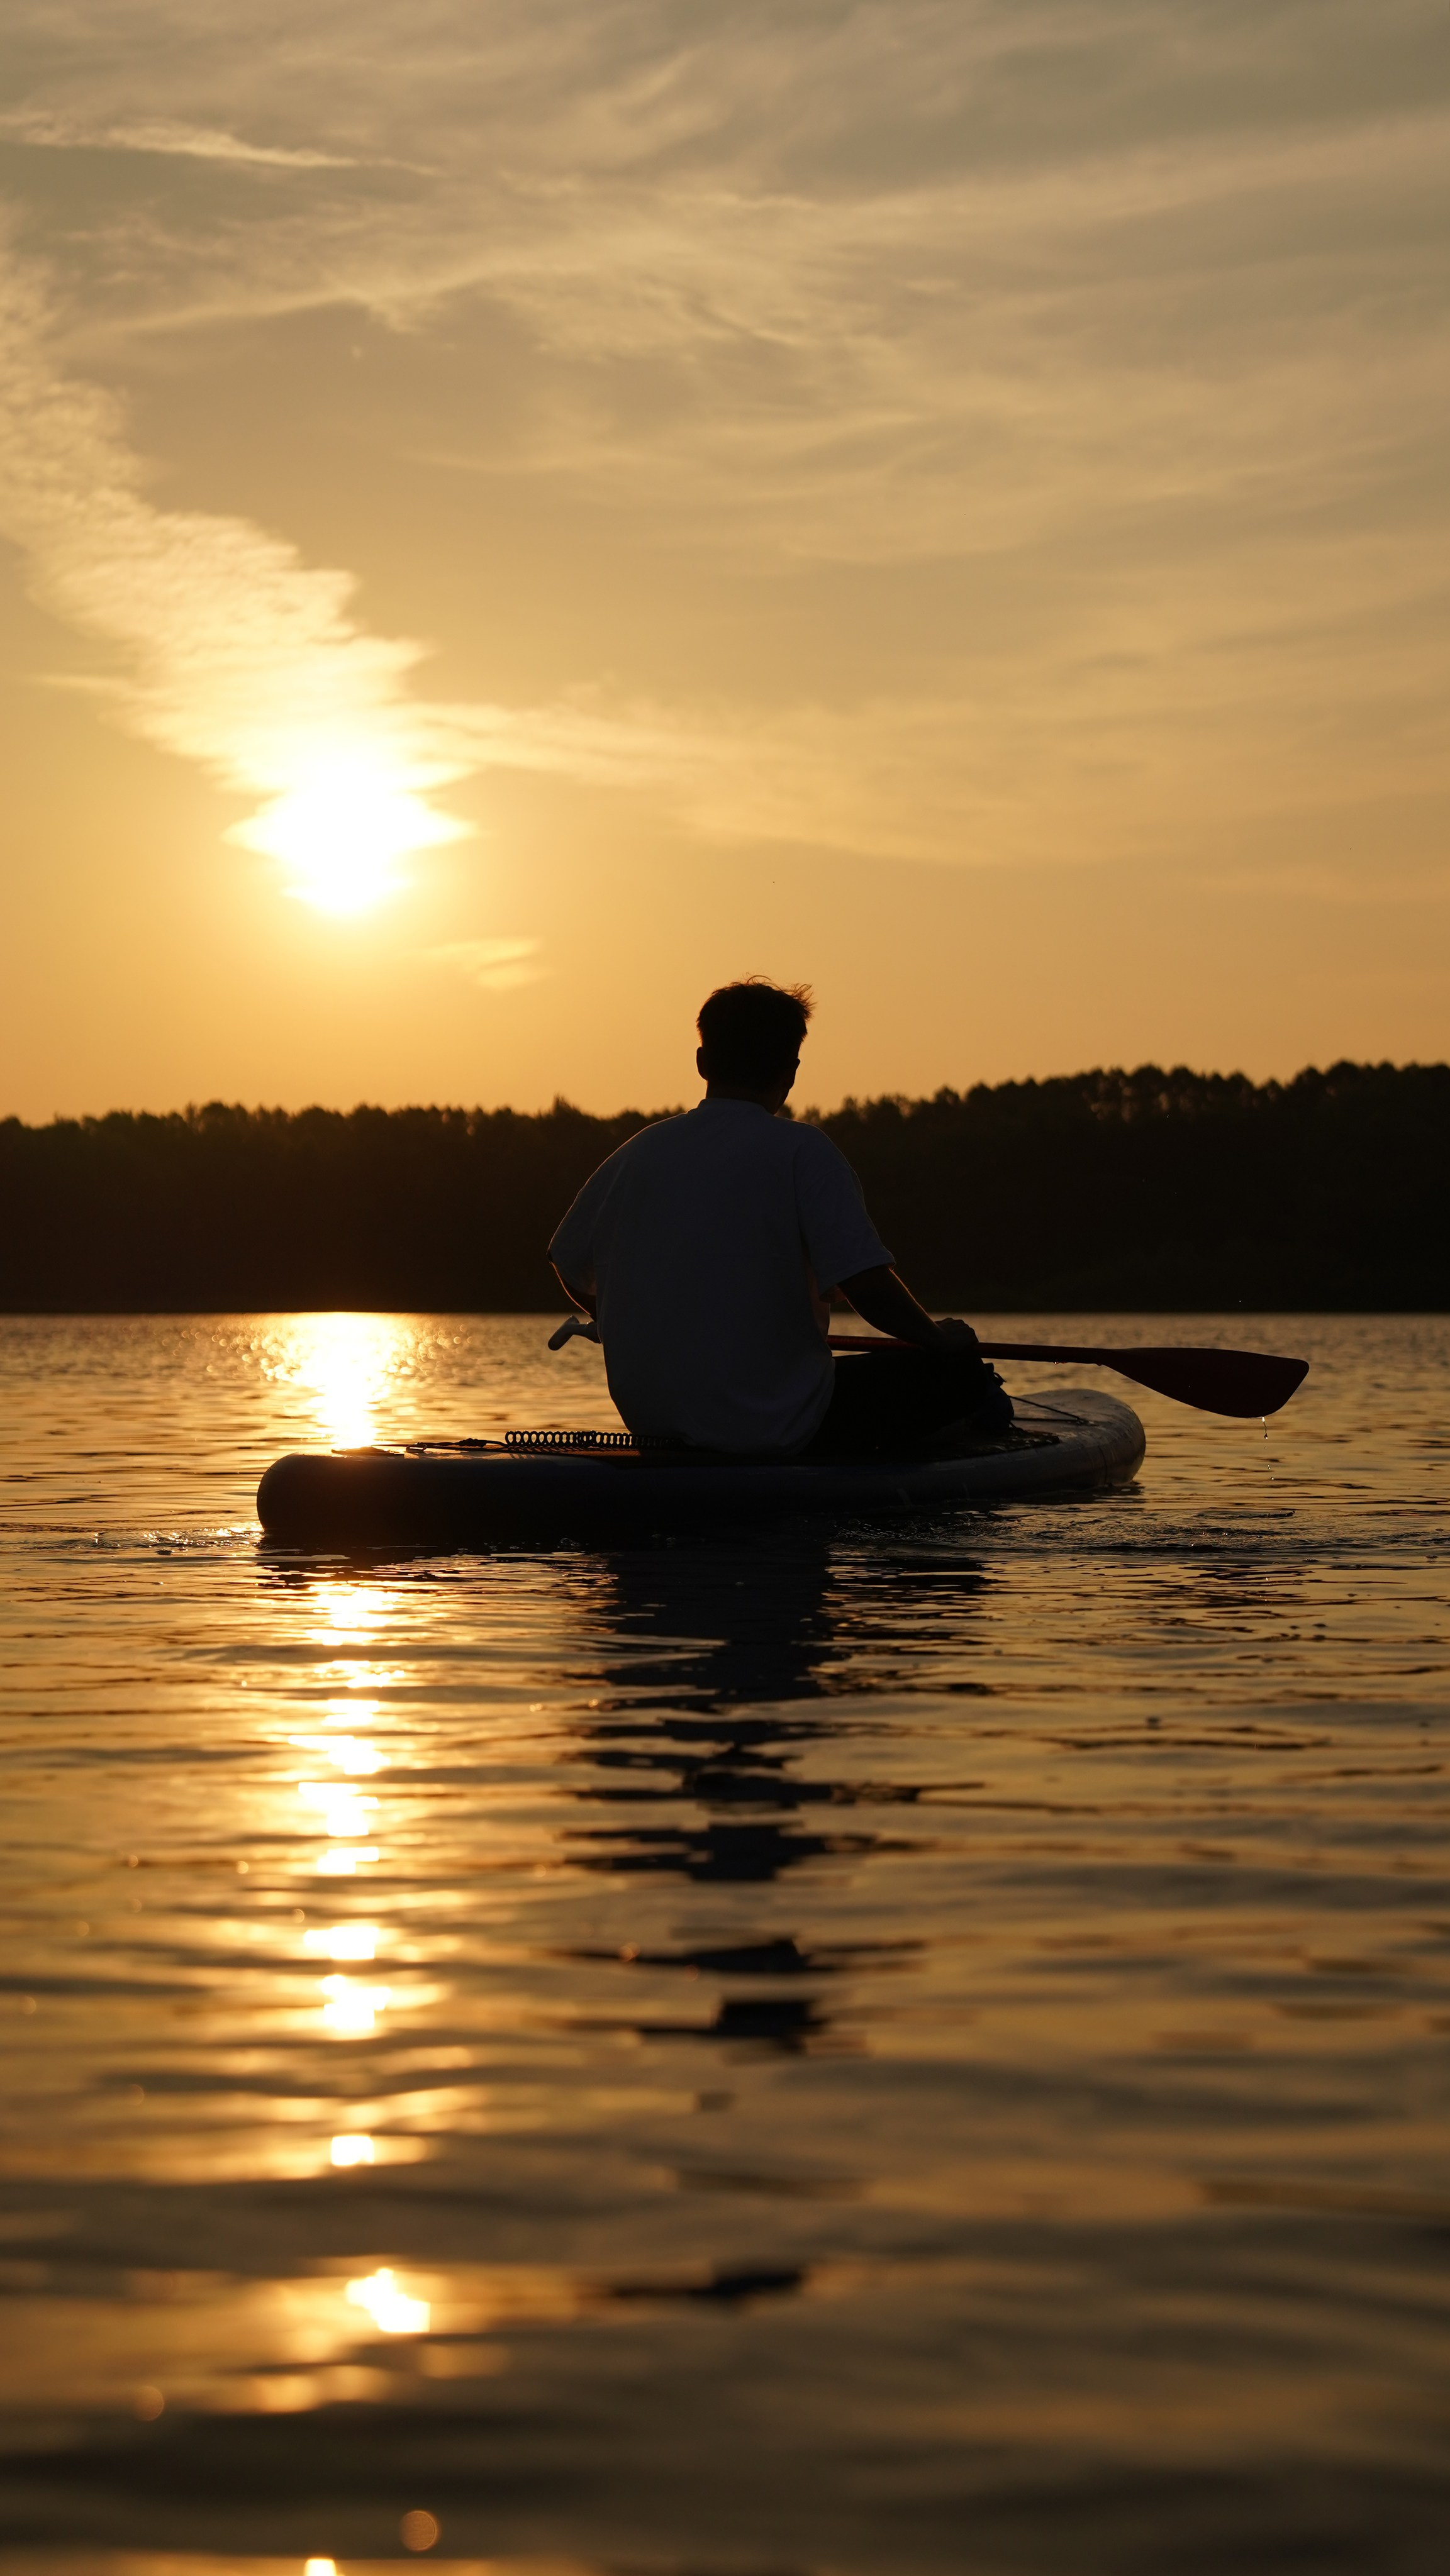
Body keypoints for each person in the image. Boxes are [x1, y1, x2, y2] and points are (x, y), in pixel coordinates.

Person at [549, 978, 1012, 1457]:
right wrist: (940, 1339)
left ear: (702, 1062)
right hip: (784, 1429)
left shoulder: (636, 1153)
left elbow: (566, 1261)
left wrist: (615, 1318)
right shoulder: (803, 1151)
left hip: (654, 1424)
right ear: (790, 1071)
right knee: (959, 1372)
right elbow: (868, 1288)